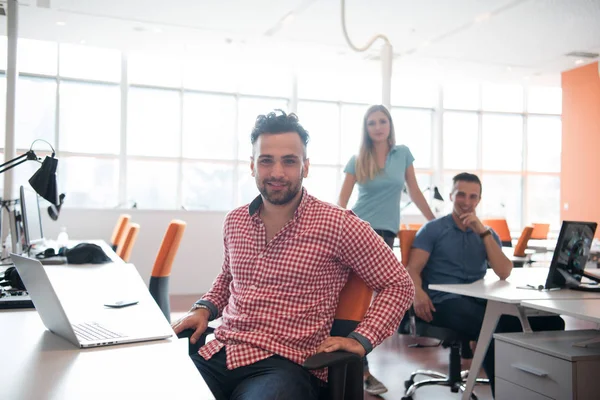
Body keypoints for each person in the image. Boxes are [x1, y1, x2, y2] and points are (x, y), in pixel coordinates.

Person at [172, 110, 415, 400]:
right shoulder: (235, 221)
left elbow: (399, 284)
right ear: (252, 166)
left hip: (286, 364)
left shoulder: (338, 224)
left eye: (289, 161)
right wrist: (204, 308)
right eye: (266, 160)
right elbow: (227, 276)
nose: (277, 172)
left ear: (306, 167)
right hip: (221, 352)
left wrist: (362, 339)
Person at [406, 172, 564, 398]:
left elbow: (504, 271)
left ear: (479, 200)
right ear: (451, 196)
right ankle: (505, 393)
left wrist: (483, 233)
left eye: (473, 196)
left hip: (477, 300)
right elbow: (412, 269)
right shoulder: (433, 229)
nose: (466, 202)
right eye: (461, 194)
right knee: (493, 327)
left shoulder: (487, 234)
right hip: (441, 302)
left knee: (548, 321)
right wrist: (418, 293)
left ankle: (539, 388)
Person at [338, 104, 435, 395]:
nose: (378, 127)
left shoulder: (402, 154)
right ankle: (359, 368)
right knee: (355, 300)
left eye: (382, 121)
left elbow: (415, 191)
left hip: (384, 234)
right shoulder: (358, 159)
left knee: (368, 301)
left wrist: (435, 223)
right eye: (371, 123)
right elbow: (341, 202)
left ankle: (358, 364)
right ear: (366, 129)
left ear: (390, 125)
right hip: (356, 231)